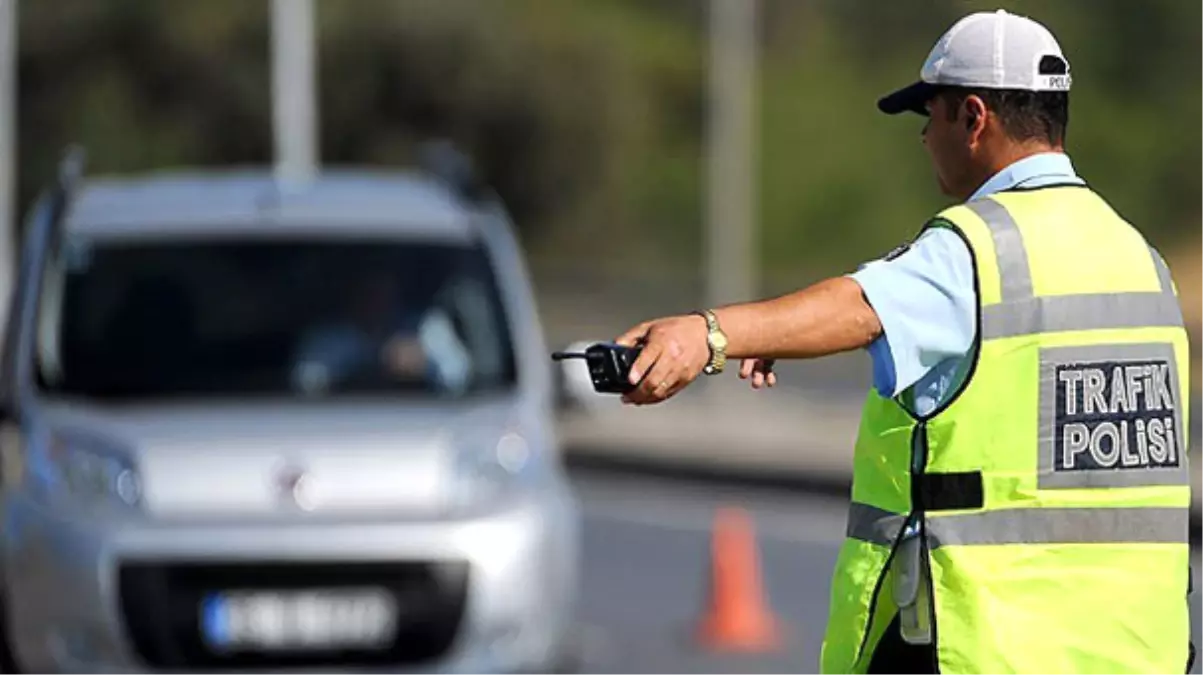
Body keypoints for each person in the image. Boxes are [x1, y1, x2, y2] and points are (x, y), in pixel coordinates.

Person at [615, 9, 1191, 675]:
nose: (922, 137)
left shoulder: (976, 248)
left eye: (930, 114)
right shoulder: (1139, 260)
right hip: (1136, 651)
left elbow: (860, 306)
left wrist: (708, 333)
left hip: (993, 652)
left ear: (973, 118)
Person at [292, 269, 472, 395]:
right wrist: (370, 366)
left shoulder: (426, 327)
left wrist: (423, 364)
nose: (376, 301)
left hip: (417, 426)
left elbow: (459, 376)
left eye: (383, 291)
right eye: (368, 292)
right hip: (343, 427)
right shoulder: (329, 339)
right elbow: (305, 382)